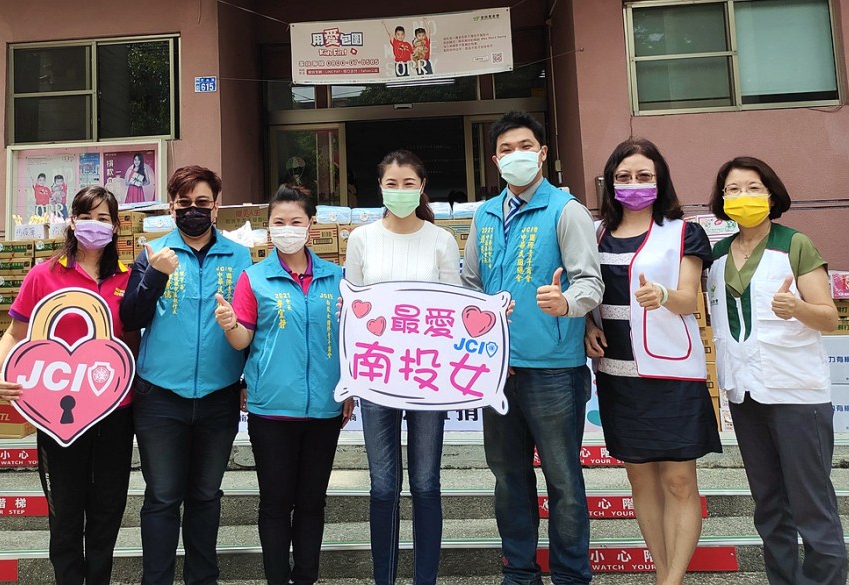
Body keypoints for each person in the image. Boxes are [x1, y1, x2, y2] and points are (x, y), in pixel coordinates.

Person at [461, 110, 604, 585]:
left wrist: (567, 304)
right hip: (497, 370)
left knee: (563, 480)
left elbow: (590, 282)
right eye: (505, 149)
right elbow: (470, 284)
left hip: (553, 369)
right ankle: (519, 572)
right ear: (494, 160)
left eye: (524, 146)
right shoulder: (484, 214)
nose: (515, 155)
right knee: (508, 478)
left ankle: (570, 575)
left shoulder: (566, 210)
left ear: (542, 153)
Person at [584, 138, 722, 584]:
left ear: (660, 180)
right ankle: (663, 574)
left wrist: (663, 295)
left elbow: (688, 299)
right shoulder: (595, 234)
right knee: (640, 482)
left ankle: (672, 579)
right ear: (610, 183)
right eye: (623, 177)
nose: (634, 183)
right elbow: (586, 292)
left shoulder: (683, 232)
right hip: (619, 377)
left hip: (672, 376)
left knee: (679, 481)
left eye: (644, 176)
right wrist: (586, 325)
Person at [707, 157, 847, 585]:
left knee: (811, 505)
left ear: (771, 194)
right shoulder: (717, 254)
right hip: (746, 395)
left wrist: (797, 308)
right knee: (768, 505)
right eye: (733, 189)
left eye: (753, 187)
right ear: (722, 198)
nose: (743, 196)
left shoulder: (795, 244)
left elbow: (829, 317)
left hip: (797, 395)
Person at [0, 186, 137, 585]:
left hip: (115, 413)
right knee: (66, 514)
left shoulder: (128, 278)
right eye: (86, 217)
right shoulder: (44, 275)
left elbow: (136, 341)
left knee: (107, 512)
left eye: (103, 218)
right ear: (72, 221)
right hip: (57, 416)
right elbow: (15, 333)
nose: (94, 225)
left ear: (115, 226)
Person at [213, 184, 354, 585]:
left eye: (296, 221)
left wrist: (349, 388)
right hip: (271, 410)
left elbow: (352, 340)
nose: (287, 228)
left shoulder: (337, 278)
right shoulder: (254, 278)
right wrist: (230, 325)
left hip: (324, 409)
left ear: (311, 225)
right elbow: (243, 339)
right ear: (268, 227)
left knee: (312, 503)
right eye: (279, 222)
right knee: (275, 504)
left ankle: (305, 577)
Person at [120, 165, 252, 585]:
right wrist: (155, 274)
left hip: (219, 395)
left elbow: (253, 325)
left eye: (202, 203)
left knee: (206, 495)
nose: (193, 210)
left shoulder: (240, 256)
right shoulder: (153, 252)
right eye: (184, 203)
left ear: (216, 207)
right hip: (160, 397)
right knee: (162, 497)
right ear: (171, 207)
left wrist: (246, 380)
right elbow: (131, 317)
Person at [344, 149, 461, 585]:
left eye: (408, 183)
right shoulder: (362, 239)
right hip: (377, 378)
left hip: (429, 378)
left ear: (422, 187)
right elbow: (352, 310)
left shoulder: (441, 240)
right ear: (380, 188)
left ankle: (425, 579)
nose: (399, 190)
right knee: (383, 485)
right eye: (391, 184)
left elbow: (453, 311)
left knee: (426, 483)